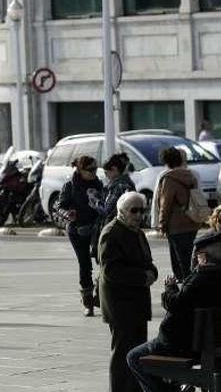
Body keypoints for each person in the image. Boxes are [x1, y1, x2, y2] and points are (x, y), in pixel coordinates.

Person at [126, 232, 221, 392]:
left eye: (198, 257)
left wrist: (169, 288)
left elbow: (175, 304)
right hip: (218, 342)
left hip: (183, 346)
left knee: (134, 357)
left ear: (203, 257)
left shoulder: (199, 280)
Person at [98, 192, 157, 392]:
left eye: (142, 210)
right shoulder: (111, 232)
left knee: (137, 348)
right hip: (120, 303)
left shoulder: (137, 231)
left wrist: (152, 273)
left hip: (137, 301)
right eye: (134, 210)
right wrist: (142, 277)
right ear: (122, 211)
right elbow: (111, 270)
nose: (139, 215)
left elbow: (147, 261)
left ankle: (134, 388)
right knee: (123, 350)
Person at [54, 155, 103, 316]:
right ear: (80, 170)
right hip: (77, 230)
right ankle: (88, 301)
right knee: (85, 264)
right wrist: (68, 214)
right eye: (90, 170)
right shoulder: (70, 185)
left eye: (96, 168)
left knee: (105, 261)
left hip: (97, 228)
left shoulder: (98, 183)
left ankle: (100, 296)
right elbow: (59, 206)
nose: (94, 172)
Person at [154, 147, 202, 282]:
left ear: (165, 161)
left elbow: (165, 204)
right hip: (192, 221)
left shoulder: (169, 179)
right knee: (190, 255)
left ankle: (187, 286)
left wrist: (162, 224)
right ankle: (191, 280)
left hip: (176, 225)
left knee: (180, 260)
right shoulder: (190, 175)